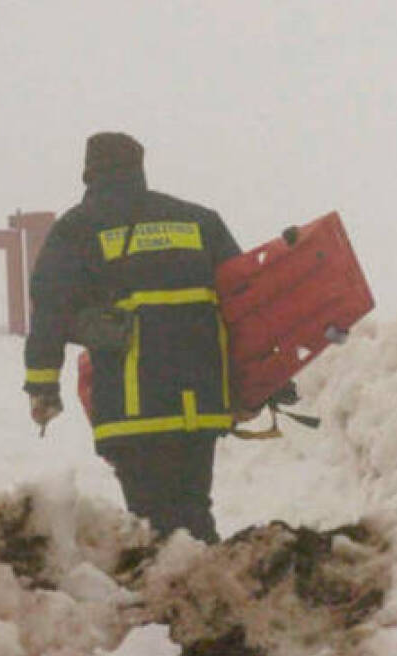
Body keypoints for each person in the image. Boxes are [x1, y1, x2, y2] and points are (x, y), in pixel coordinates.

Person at [22, 132, 244, 543]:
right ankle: (211, 573)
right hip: (201, 404)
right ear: (139, 168)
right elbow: (245, 300)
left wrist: (42, 385)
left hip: (132, 404)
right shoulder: (199, 221)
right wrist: (258, 380)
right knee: (193, 508)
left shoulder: (78, 228)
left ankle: (181, 578)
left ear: (89, 173)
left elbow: (50, 307)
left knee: (152, 523)